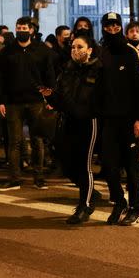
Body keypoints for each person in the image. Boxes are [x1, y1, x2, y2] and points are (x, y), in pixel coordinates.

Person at [41, 34, 103, 224]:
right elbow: (60, 96)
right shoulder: (67, 69)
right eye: (73, 47)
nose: (76, 51)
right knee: (66, 163)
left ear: (89, 50)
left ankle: (84, 206)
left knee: (84, 165)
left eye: (80, 47)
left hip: (88, 121)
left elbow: (102, 98)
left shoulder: (98, 69)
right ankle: (92, 193)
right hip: (68, 120)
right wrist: (50, 96)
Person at [98, 12, 139, 225]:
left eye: (116, 26)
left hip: (130, 120)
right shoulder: (102, 53)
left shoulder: (131, 52)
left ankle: (135, 208)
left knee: (132, 167)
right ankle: (119, 202)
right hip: (108, 120)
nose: (112, 30)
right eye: (108, 26)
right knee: (109, 165)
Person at [0, 17, 56, 190]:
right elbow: (1, 79)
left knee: (37, 140)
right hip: (13, 102)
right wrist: (0, 101)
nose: (21, 30)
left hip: (36, 101)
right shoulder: (7, 52)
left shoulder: (42, 50)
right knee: (14, 141)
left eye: (24, 28)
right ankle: (15, 178)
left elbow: (49, 75)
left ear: (31, 30)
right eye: (18, 27)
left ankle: (39, 177)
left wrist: (51, 99)